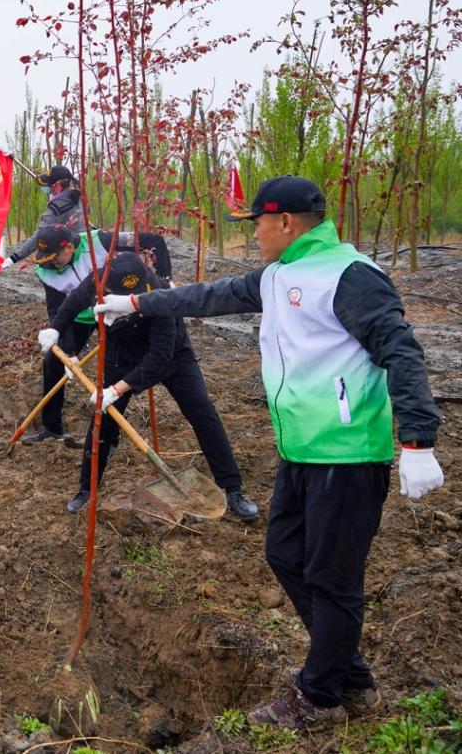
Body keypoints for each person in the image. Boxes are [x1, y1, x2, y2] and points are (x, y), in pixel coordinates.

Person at [95, 175, 443, 729]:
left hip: (349, 456)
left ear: (286, 222)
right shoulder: (279, 275)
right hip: (301, 450)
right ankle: (348, 673)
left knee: (332, 578)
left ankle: (321, 698)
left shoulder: (350, 276)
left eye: (257, 222)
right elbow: (208, 296)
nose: (253, 233)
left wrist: (418, 439)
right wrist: (136, 300)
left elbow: (400, 347)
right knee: (285, 555)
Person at [42, 251, 259, 519]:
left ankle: (232, 488)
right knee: (103, 421)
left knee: (203, 413)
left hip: (171, 358)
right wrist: (55, 329)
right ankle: (87, 489)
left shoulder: (158, 292)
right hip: (120, 355)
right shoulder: (96, 279)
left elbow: (160, 356)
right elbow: (70, 306)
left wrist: (117, 390)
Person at [17, 222, 173, 445]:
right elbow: (58, 309)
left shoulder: (102, 241)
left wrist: (165, 283)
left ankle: (110, 435)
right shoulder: (45, 270)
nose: (51, 262)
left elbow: (154, 242)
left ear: (69, 248)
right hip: (80, 316)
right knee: (53, 361)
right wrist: (68, 350)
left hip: (117, 313)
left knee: (117, 367)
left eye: (55, 257)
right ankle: (52, 428)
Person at [4, 165, 86, 269]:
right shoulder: (78, 197)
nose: (45, 187)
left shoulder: (56, 208)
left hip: (72, 253)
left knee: (42, 256)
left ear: (57, 186)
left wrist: (13, 259)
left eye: (48, 184)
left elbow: (38, 237)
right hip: (85, 246)